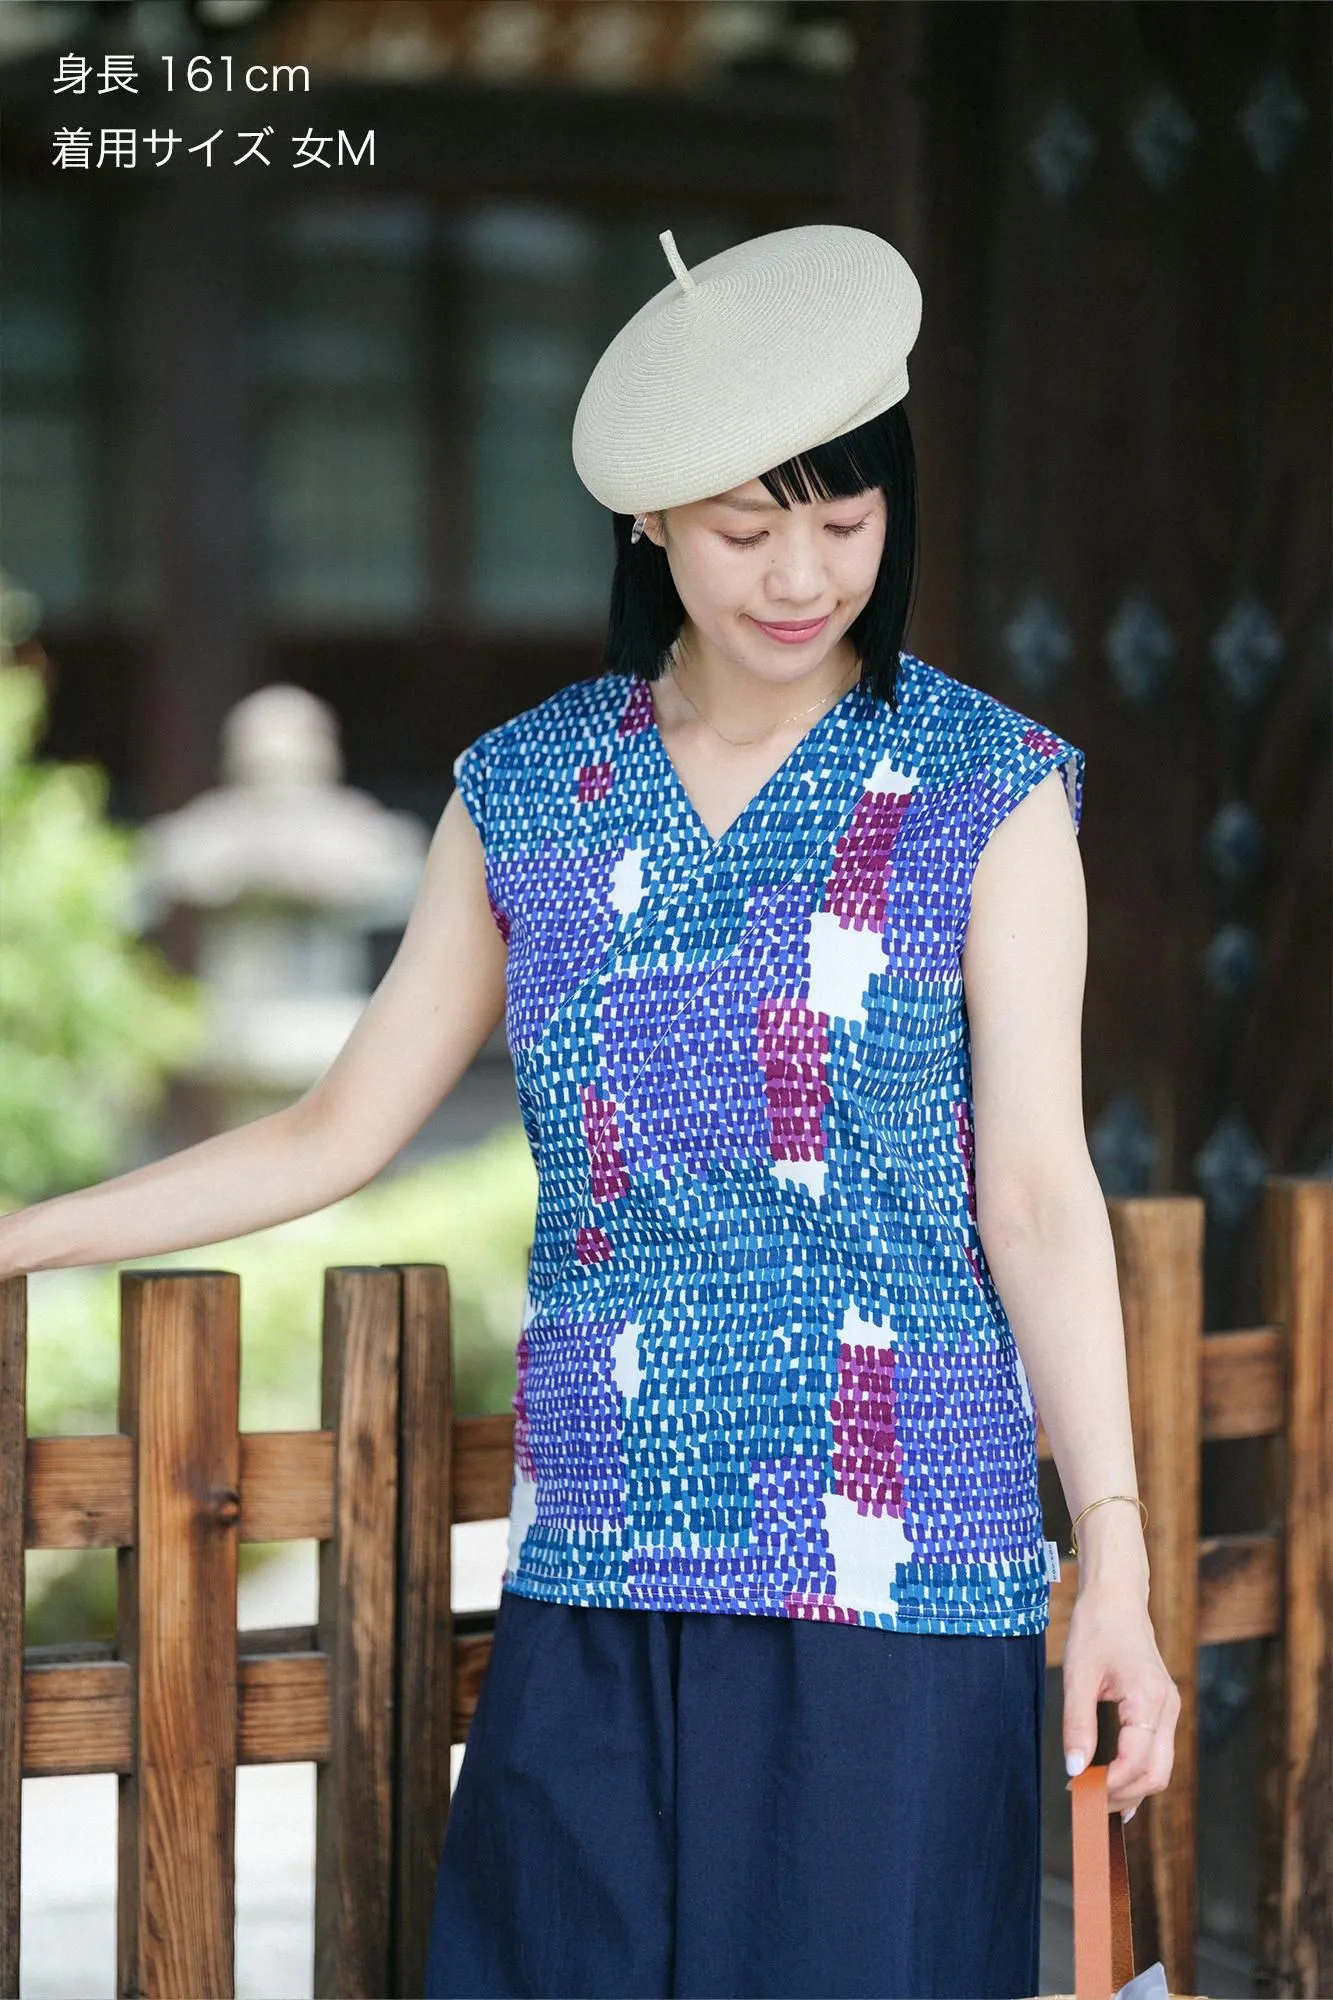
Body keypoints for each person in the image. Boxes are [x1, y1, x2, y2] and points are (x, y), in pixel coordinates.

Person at [0, 223, 1180, 2000]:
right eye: (745, 529)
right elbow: (336, 1130)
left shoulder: (986, 789)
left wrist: (1118, 1569)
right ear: (650, 521)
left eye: (847, 523)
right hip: (603, 1556)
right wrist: (28, 1236)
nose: (801, 576)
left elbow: (1032, 1196)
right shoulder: (533, 789)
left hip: (898, 1577)